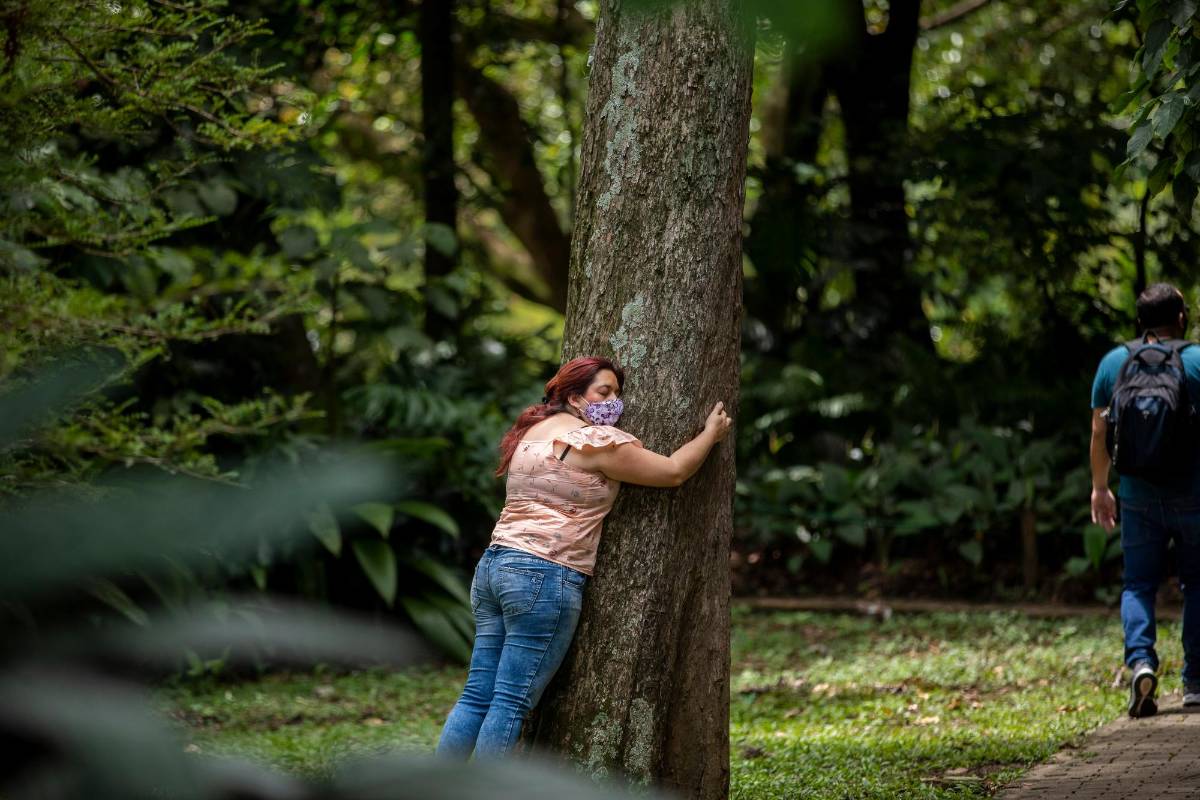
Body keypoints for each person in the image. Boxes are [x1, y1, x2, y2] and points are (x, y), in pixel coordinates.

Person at [436, 356, 732, 758]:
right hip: (543, 572)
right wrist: (710, 434)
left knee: (477, 694)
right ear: (575, 397)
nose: (613, 402)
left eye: (617, 393)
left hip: (494, 566)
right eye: (603, 392)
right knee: (510, 701)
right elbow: (673, 472)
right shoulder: (595, 442)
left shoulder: (532, 432)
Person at [1091, 283, 1200, 717]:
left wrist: (1101, 488)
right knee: (1198, 584)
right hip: (1193, 495)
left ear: (1139, 321)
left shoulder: (1113, 363)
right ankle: (1195, 682)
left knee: (1138, 584)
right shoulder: (1197, 360)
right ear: (1181, 317)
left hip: (1136, 496)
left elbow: (1099, 432)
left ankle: (1141, 663)